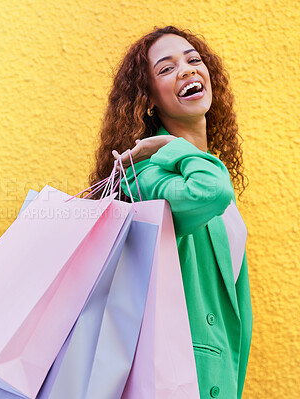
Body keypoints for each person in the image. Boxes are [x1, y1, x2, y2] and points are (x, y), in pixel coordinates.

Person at [88, 26, 252, 399]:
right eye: (166, 68)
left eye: (194, 60)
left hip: (215, 379)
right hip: (174, 381)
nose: (187, 70)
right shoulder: (146, 177)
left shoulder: (203, 167)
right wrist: (170, 146)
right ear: (148, 101)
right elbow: (210, 192)